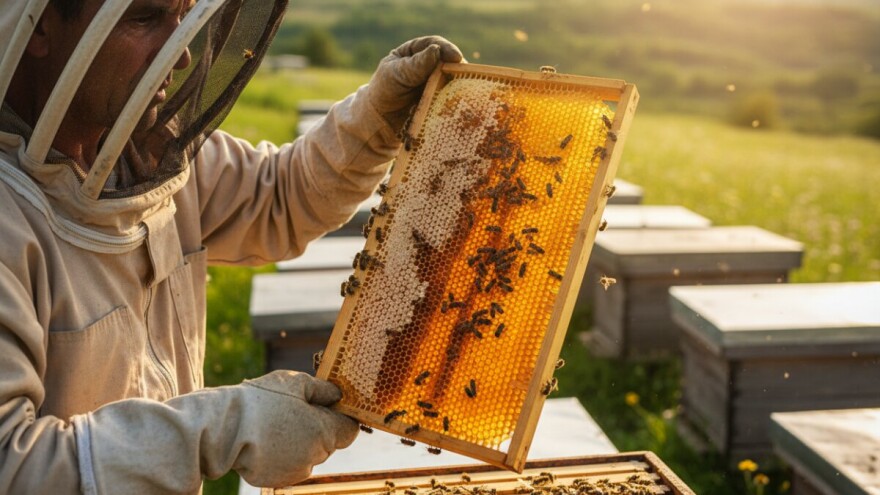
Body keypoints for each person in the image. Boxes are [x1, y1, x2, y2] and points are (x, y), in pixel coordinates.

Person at [0, 0, 463, 493]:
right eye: (144, 18)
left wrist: (376, 117)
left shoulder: (146, 156)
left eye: (182, 18)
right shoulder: (11, 222)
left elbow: (281, 197)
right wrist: (219, 429)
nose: (179, 57)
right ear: (41, 26)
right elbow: (12, 466)